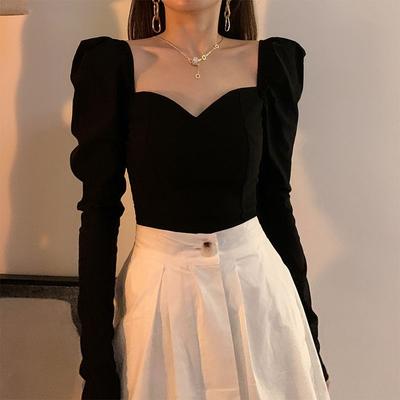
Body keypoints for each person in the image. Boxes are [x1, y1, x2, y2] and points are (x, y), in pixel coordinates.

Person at [69, 0, 331, 399]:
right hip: (159, 298)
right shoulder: (113, 67)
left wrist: (309, 334)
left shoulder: (271, 64)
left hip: (256, 296)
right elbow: (99, 215)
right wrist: (97, 364)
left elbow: (276, 203)